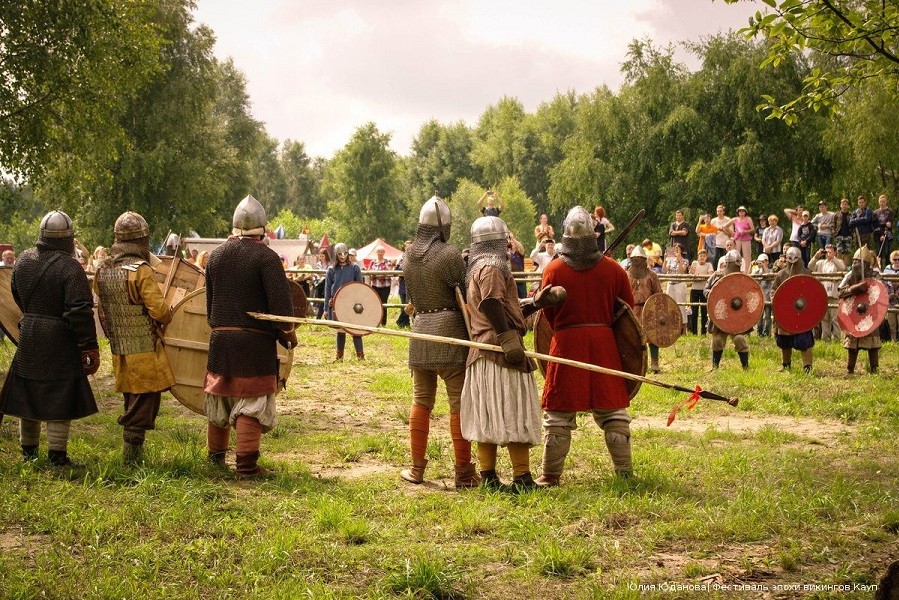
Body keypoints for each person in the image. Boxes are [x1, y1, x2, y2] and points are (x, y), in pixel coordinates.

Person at [536, 206, 635, 486]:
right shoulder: (614, 269)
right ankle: (624, 473)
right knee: (613, 410)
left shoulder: (553, 269)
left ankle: (550, 475)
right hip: (605, 345)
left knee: (558, 414)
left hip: (566, 344)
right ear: (593, 234)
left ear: (565, 235)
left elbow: (548, 316)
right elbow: (627, 312)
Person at [204, 195, 296, 478]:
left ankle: (215, 459)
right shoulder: (266, 257)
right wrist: (288, 334)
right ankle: (246, 466)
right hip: (254, 343)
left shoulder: (215, 256)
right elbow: (281, 310)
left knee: (221, 397)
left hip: (220, 339)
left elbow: (210, 307)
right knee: (251, 400)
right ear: (263, 228)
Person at [0, 211, 100, 466]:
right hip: (59, 337)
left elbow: (17, 295)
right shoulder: (69, 267)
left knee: (28, 393)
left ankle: (29, 453)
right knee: (60, 394)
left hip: (29, 333)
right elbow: (79, 310)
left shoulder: (23, 260)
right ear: (67, 238)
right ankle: (57, 456)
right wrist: (89, 345)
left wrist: (33, 317)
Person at [399, 197, 479, 488]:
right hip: (450, 335)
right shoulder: (449, 254)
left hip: (421, 332)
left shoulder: (408, 256)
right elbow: (465, 294)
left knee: (421, 401)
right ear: (444, 226)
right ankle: (463, 472)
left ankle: (416, 469)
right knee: (458, 403)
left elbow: (412, 299)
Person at [461, 216, 542, 491]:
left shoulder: (479, 266)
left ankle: (489, 478)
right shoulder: (493, 266)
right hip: (498, 351)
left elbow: (504, 306)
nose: (509, 246)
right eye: (506, 240)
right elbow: (491, 302)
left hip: (484, 351)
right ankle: (522, 478)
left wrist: (536, 303)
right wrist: (508, 338)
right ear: (499, 241)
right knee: (514, 411)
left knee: (487, 416)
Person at [93, 211, 175, 464]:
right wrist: (168, 313)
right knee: (143, 404)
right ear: (142, 240)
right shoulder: (140, 270)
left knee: (131, 400)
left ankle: (132, 457)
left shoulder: (103, 269)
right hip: (143, 348)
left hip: (120, 348)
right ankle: (131, 461)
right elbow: (160, 312)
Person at [704, 250, 750, 371]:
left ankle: (745, 367)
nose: (735, 267)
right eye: (733, 264)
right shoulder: (717, 276)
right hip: (721, 314)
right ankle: (715, 367)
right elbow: (706, 290)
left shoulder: (742, 279)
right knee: (717, 341)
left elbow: (749, 296)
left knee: (740, 340)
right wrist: (713, 294)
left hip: (737, 315)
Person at [771, 247, 816, 373]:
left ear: (800, 258)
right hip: (786, 312)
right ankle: (786, 364)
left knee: (804, 340)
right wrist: (775, 297)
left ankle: (807, 366)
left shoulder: (806, 273)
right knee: (784, 340)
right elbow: (774, 290)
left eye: (795, 258)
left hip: (802, 312)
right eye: (789, 259)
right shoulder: (781, 274)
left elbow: (813, 292)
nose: (792, 261)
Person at [838, 246, 882, 373]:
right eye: (854, 261)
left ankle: (874, 368)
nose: (854, 264)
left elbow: (881, 290)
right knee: (852, 343)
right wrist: (855, 289)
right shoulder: (850, 275)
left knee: (873, 343)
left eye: (857, 261)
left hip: (870, 312)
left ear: (866, 263)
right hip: (854, 311)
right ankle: (850, 368)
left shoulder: (875, 275)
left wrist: (868, 287)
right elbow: (841, 292)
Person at [325, 243, 365, 360]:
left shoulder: (354, 268)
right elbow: (328, 289)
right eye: (339, 254)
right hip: (337, 302)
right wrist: (326, 308)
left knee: (355, 329)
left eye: (345, 253)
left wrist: (359, 302)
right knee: (341, 329)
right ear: (335, 255)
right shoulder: (331, 269)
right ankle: (339, 357)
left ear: (348, 254)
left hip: (352, 303)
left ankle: (360, 356)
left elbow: (360, 287)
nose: (342, 256)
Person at [627, 245, 663, 373]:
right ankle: (637, 365)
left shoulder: (652, 275)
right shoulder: (626, 275)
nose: (637, 261)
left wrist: (658, 309)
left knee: (652, 337)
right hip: (632, 310)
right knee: (634, 338)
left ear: (644, 260)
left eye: (639, 259)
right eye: (635, 259)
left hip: (649, 310)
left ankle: (654, 364)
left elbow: (658, 294)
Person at [809, 245, 845, 342]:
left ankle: (837, 339)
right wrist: (816, 256)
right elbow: (810, 267)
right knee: (824, 319)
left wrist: (833, 258)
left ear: (835, 252)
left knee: (834, 319)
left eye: (830, 251)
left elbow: (842, 268)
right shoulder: (820, 263)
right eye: (826, 251)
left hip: (834, 293)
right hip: (823, 293)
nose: (828, 253)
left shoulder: (838, 261)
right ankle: (825, 339)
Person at [662, 245, 690, 335]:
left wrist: (679, 260)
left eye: (677, 249)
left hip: (680, 284)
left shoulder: (685, 260)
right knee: (670, 306)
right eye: (674, 249)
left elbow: (681, 271)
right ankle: (671, 329)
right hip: (670, 284)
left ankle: (683, 330)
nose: (675, 250)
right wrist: (665, 258)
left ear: (681, 251)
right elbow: (664, 271)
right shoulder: (670, 260)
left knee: (681, 306)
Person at [688, 249, 715, 335]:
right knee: (694, 311)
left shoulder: (709, 264)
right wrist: (699, 277)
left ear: (706, 257)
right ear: (698, 257)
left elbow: (710, 275)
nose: (702, 257)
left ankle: (704, 332)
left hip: (704, 290)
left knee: (704, 311)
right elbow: (692, 274)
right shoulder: (694, 263)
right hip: (694, 289)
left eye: (704, 256)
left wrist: (699, 277)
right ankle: (694, 332)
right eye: (700, 256)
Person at [368, 247, 392, 326]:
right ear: (376, 252)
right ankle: (376, 322)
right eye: (379, 251)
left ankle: (383, 323)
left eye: (382, 252)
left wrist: (378, 274)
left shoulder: (387, 262)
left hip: (385, 286)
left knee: (384, 303)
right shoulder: (372, 262)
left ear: (384, 253)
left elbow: (390, 273)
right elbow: (369, 273)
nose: (380, 253)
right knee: (375, 303)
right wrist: (378, 274)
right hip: (375, 286)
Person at [751, 254, 772, 337]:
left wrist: (763, 266)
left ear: (767, 261)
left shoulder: (770, 271)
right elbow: (749, 277)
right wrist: (751, 265)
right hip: (759, 297)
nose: (761, 263)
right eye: (760, 262)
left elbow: (769, 276)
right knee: (759, 317)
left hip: (767, 297)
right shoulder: (756, 271)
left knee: (767, 316)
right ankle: (759, 333)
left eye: (763, 262)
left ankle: (767, 333)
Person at [874, 194, 895, 268]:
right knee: (878, 253)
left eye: (883, 201)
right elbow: (875, 225)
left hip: (887, 234)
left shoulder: (890, 212)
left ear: (886, 202)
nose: (882, 203)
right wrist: (881, 234)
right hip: (878, 234)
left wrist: (884, 234)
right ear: (878, 202)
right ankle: (878, 269)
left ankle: (887, 268)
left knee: (886, 253)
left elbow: (889, 224)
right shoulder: (875, 212)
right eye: (880, 201)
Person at [395, 240, 413, 328]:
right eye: (407, 246)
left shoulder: (415, 257)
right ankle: (404, 323)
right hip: (403, 285)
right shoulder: (401, 258)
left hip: (412, 284)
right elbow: (396, 270)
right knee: (404, 304)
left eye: (410, 246)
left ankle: (401, 321)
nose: (408, 248)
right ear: (405, 247)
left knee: (410, 304)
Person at [883, 250, 899, 342]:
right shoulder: (887, 269)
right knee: (891, 323)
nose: (897, 261)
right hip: (890, 298)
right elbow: (884, 283)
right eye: (895, 259)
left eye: (898, 259)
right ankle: (893, 342)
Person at [732, 206, 754, 272]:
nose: (741, 212)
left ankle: (747, 272)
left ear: (745, 212)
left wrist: (745, 231)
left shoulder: (748, 219)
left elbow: (753, 229)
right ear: (738, 212)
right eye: (740, 211)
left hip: (746, 239)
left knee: (747, 257)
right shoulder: (735, 219)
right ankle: (736, 271)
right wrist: (732, 232)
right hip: (737, 239)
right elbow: (725, 226)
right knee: (736, 256)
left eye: (743, 211)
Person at [832, 198, 854, 265]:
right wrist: (834, 232)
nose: (844, 205)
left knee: (847, 252)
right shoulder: (837, 215)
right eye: (843, 204)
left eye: (845, 204)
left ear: (848, 206)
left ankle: (845, 267)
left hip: (848, 235)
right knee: (839, 251)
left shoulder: (851, 215)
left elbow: (853, 225)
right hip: (839, 235)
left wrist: (853, 234)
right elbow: (833, 224)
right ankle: (839, 267)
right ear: (840, 205)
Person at [313, 249, 330, 319]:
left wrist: (322, 274)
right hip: (319, 284)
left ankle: (319, 316)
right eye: (320, 256)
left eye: (323, 256)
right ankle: (322, 316)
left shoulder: (329, 264)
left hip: (327, 283)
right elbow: (316, 273)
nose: (321, 258)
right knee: (320, 300)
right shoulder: (318, 264)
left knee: (325, 299)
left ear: (326, 256)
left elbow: (329, 274)